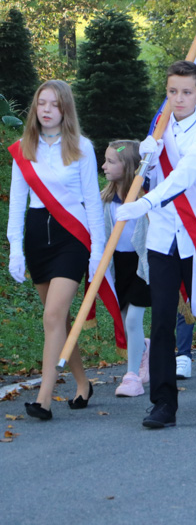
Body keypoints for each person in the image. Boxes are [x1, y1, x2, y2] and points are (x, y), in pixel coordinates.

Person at [116, 61, 196, 429]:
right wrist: (147, 156)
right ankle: (164, 403)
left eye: (187, 92)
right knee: (161, 322)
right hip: (161, 239)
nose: (179, 99)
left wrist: (145, 202)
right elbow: (151, 176)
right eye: (172, 91)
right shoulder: (158, 130)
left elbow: (187, 174)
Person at [7, 80, 122, 420]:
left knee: (52, 317)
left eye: (54, 104)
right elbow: (16, 204)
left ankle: (43, 399)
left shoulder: (82, 147)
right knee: (60, 320)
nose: (45, 109)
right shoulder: (23, 148)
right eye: (41, 103)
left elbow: (91, 203)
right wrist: (16, 249)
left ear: (65, 109)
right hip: (36, 237)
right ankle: (83, 383)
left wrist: (98, 250)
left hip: (71, 239)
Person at [101, 140, 152, 397]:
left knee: (133, 319)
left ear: (129, 165)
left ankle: (131, 377)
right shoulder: (106, 199)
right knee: (124, 320)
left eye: (111, 161)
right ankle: (144, 350)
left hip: (141, 266)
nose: (104, 166)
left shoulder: (145, 199)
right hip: (117, 266)